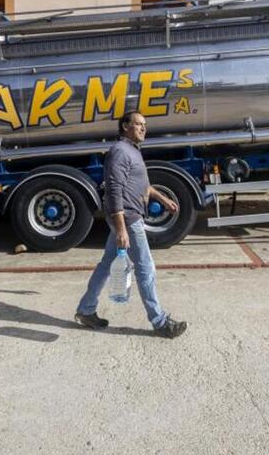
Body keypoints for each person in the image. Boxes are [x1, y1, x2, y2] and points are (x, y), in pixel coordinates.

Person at [75, 111, 188, 338]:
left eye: (145, 124)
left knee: (107, 264)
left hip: (129, 216)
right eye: (138, 124)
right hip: (128, 217)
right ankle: (160, 321)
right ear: (125, 126)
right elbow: (114, 191)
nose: (143, 128)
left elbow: (142, 185)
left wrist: (163, 199)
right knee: (145, 267)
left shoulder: (133, 151)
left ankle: (86, 310)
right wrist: (121, 229)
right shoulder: (119, 152)